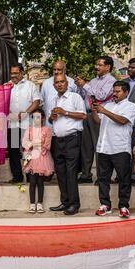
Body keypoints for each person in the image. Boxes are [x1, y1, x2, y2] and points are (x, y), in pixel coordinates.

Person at [91, 81, 135, 218]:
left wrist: (104, 111)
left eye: (118, 92)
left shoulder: (131, 106)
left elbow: (123, 120)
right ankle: (105, 205)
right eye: (114, 91)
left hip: (120, 147)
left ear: (126, 92)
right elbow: (98, 121)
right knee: (103, 178)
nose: (115, 94)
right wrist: (95, 111)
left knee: (124, 178)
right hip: (104, 147)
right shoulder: (108, 105)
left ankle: (124, 206)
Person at [49, 74, 87, 215]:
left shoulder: (74, 97)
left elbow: (83, 115)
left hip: (72, 138)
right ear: (54, 85)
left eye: (62, 82)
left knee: (71, 173)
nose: (59, 84)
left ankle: (74, 204)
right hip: (57, 140)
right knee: (60, 173)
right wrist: (51, 117)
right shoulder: (54, 99)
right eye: (57, 82)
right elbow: (51, 118)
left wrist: (64, 112)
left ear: (67, 83)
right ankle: (65, 203)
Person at [75, 55, 116, 184]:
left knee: (99, 146)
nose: (96, 67)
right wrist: (80, 87)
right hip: (86, 115)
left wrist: (85, 86)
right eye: (96, 64)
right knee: (86, 147)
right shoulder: (93, 81)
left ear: (108, 67)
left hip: (99, 116)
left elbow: (101, 96)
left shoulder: (111, 81)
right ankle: (86, 174)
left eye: (99, 65)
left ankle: (102, 176)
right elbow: (84, 96)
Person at [8, 63, 41, 184]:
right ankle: (17, 177)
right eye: (12, 73)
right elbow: (1, 102)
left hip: (26, 124)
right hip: (12, 125)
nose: (13, 76)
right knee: (14, 151)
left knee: (28, 151)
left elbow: (36, 102)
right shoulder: (7, 86)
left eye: (16, 73)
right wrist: (9, 113)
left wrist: (25, 113)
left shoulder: (30, 85)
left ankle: (29, 174)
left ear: (22, 73)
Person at [22, 109, 54, 213]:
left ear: (43, 118)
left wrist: (34, 144)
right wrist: (34, 144)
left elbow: (47, 145)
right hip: (31, 157)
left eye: (39, 117)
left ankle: (40, 203)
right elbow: (24, 143)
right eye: (34, 117)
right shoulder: (29, 130)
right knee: (32, 181)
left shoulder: (47, 130)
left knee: (40, 182)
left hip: (42, 158)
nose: (36, 120)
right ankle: (32, 204)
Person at [41, 60, 77, 130]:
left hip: (67, 124)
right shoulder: (46, 83)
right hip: (50, 124)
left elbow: (76, 102)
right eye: (54, 69)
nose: (56, 72)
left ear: (64, 70)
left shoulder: (72, 82)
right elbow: (42, 102)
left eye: (59, 69)